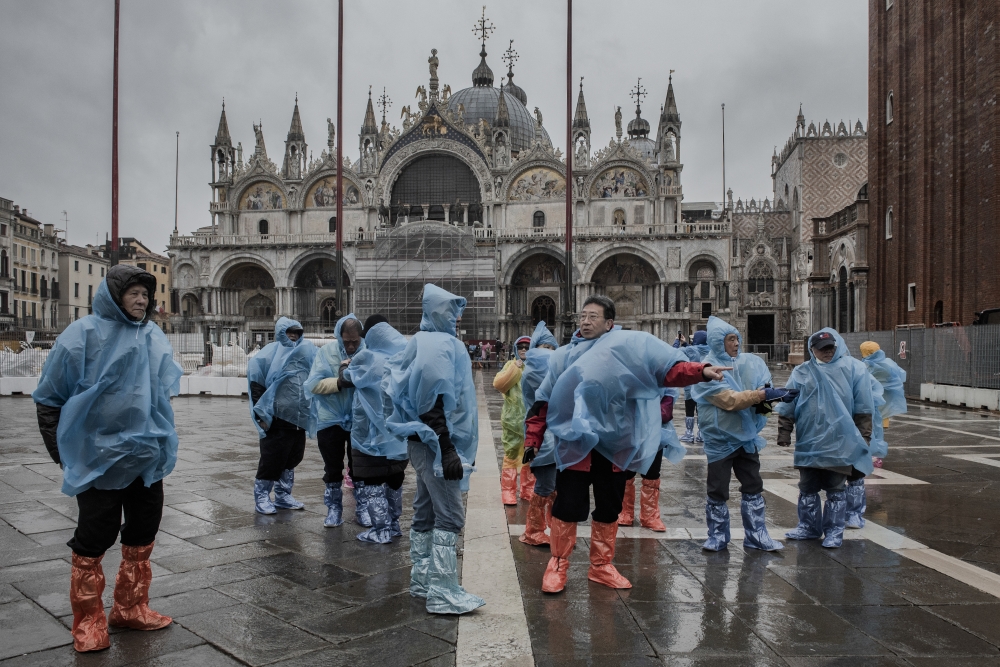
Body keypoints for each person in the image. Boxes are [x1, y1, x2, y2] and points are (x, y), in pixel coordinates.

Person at [525, 296, 727, 594]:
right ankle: (557, 564)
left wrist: (701, 370)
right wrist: (533, 438)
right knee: (567, 507)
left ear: (609, 323)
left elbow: (665, 369)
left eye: (593, 316)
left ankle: (601, 566)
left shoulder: (627, 350)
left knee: (609, 507)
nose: (585, 321)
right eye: (583, 316)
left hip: (615, 447)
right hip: (575, 447)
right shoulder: (564, 356)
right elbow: (544, 402)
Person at [33, 265, 182, 652]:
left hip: (145, 457)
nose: (142, 300)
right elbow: (49, 399)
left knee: (143, 530)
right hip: (98, 459)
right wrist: (65, 455)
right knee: (94, 536)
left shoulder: (152, 335)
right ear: (114, 296)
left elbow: (161, 394)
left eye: (146, 295)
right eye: (133, 293)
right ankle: (88, 621)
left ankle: (130, 608)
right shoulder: (80, 336)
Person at [386, 284, 485, 615]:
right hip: (435, 443)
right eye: (452, 312)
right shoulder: (442, 344)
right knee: (451, 514)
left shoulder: (423, 340)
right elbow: (431, 397)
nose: (456, 318)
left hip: (425, 442)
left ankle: (422, 579)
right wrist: (446, 447)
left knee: (427, 508)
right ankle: (443, 592)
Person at [690, 317, 797, 552]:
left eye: (737, 338)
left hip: (746, 438)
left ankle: (757, 535)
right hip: (720, 439)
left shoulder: (751, 363)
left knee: (753, 484)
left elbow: (763, 394)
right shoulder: (707, 370)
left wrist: (772, 400)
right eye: (730, 339)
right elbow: (730, 401)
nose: (736, 343)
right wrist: (763, 396)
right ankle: (717, 535)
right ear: (718, 343)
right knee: (717, 487)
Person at [776, 329, 884, 548]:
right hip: (809, 440)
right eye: (822, 348)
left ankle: (834, 530)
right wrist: (784, 432)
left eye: (831, 347)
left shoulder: (853, 369)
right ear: (812, 350)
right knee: (807, 486)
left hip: (840, 441)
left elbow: (864, 406)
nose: (827, 352)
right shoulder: (801, 372)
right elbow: (788, 402)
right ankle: (808, 526)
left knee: (836, 487)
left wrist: (864, 437)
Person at [346, 317, 409, 543]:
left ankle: (380, 530)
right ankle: (393, 525)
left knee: (373, 482)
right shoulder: (402, 358)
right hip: (398, 438)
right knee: (395, 480)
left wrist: (346, 367)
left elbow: (349, 376)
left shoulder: (368, 357)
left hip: (370, 438)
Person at [248, 317, 317, 515]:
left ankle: (283, 494)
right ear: (281, 333)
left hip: (298, 420)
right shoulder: (266, 356)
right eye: (289, 332)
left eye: (297, 332)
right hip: (276, 420)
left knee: (292, 458)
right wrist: (262, 416)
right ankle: (262, 496)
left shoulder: (305, 353)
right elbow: (257, 386)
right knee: (272, 459)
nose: (293, 336)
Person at [303, 314, 365, 527]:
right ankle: (334, 508)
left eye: (354, 342)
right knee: (332, 466)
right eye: (345, 341)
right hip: (331, 419)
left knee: (359, 466)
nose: (350, 346)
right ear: (339, 337)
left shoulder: (367, 353)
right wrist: (338, 382)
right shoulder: (326, 352)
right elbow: (313, 385)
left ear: (361, 337)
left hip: (359, 419)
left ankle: (362, 507)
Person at [849, 341, 907, 527]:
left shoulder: (867, 365)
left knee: (872, 429)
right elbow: (900, 377)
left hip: (872, 405)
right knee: (879, 429)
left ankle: (874, 455)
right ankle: (877, 454)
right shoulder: (888, 363)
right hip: (884, 404)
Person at [617, 385, 686, 532]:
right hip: (630, 427)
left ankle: (650, 515)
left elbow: (669, 390)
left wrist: (662, 409)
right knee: (627, 471)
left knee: (652, 472)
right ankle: (625, 511)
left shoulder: (659, 367)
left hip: (654, 430)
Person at [518, 321, 559, 546]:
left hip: (555, 436)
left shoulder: (547, 367)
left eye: (552, 349)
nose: (548, 353)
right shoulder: (535, 370)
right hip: (542, 436)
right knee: (545, 483)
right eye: (543, 348)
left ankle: (552, 525)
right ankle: (533, 530)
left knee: (555, 485)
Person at [493, 335, 534, 505]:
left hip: (532, 420)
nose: (524, 349)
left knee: (530, 455)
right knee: (510, 454)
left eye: (527, 347)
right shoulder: (511, 365)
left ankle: (528, 489)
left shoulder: (535, 367)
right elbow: (499, 384)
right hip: (512, 422)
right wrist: (515, 369)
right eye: (521, 346)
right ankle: (508, 491)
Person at [676, 330, 709, 443]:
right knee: (701, 410)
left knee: (689, 410)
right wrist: (685, 343)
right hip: (704, 388)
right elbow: (697, 352)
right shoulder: (710, 350)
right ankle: (701, 434)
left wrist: (677, 341)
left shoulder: (690, 350)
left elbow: (673, 352)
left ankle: (689, 434)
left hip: (690, 386)